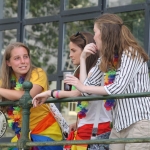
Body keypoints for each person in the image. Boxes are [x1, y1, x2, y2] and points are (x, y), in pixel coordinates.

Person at [62, 13, 150, 150]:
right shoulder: (105, 59)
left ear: (104, 34)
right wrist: (84, 58)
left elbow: (117, 88)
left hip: (139, 123)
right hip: (119, 126)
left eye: (95, 32)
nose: (94, 37)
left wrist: (83, 88)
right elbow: (86, 91)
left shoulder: (130, 53)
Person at [32, 32, 112, 150]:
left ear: (87, 50)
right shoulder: (87, 69)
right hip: (89, 128)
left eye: (73, 51)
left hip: (93, 130)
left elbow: (79, 92)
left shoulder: (94, 70)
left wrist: (49, 93)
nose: (70, 55)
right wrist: (78, 121)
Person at [0, 42, 63, 150]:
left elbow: (27, 95)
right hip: (22, 135)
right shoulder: (4, 82)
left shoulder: (38, 73)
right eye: (17, 58)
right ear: (8, 62)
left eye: (25, 57)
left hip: (46, 132)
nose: (23, 61)